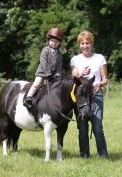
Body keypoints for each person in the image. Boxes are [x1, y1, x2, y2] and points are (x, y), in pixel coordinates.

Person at [70, 30, 109, 158]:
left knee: (97, 127)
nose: (85, 46)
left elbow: (105, 79)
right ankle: (84, 156)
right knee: (82, 128)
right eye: (82, 43)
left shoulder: (100, 58)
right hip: (81, 97)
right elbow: (74, 77)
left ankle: (103, 155)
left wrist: (100, 84)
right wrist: (82, 73)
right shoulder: (75, 59)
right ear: (79, 45)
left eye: (87, 43)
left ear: (91, 43)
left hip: (96, 95)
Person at [23, 27, 65, 108]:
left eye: (56, 42)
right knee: (37, 83)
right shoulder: (45, 50)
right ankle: (28, 97)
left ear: (59, 43)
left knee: (55, 87)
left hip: (53, 76)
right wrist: (48, 74)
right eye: (52, 41)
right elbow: (43, 62)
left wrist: (57, 75)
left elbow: (59, 66)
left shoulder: (59, 54)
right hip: (42, 73)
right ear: (48, 41)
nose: (54, 43)